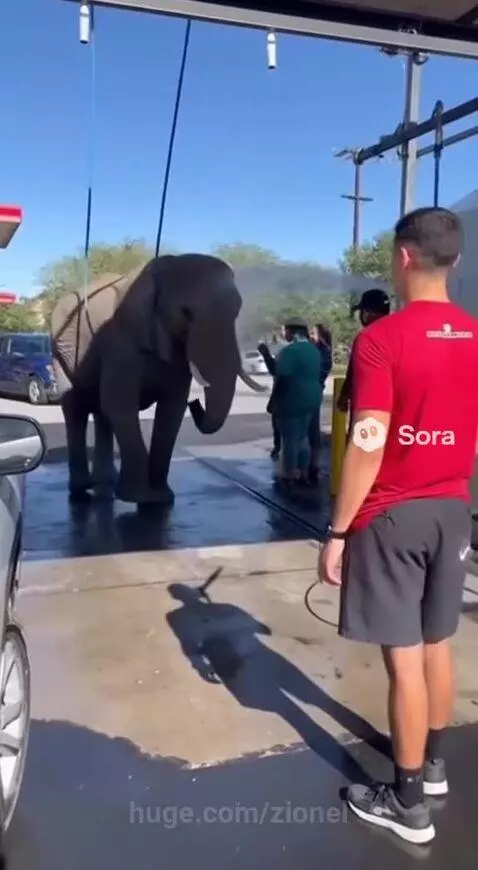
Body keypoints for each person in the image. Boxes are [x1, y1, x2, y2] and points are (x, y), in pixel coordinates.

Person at [319, 207, 478, 845]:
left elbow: (368, 442)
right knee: (438, 641)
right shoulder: (472, 334)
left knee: (404, 660)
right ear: (456, 261)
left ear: (403, 258)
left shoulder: (381, 339)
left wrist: (337, 531)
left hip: (392, 514)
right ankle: (433, 766)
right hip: (452, 509)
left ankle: (406, 800)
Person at [270, 317, 322, 487]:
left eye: (285, 330)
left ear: (292, 331)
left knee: (290, 438)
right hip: (312, 399)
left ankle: (289, 474)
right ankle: (304, 473)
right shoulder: (313, 351)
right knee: (302, 437)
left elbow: (281, 375)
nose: (283, 333)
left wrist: (274, 400)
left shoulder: (290, 352)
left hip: (292, 399)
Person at [337, 289, 391, 414]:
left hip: (367, 407)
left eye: (362, 311)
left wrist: (344, 395)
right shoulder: (399, 332)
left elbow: (353, 372)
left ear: (368, 312)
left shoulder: (367, 336)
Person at [308, 324, 333, 485]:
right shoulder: (315, 350)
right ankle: (309, 465)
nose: (310, 335)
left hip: (313, 392)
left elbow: (319, 373)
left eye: (313, 333)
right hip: (312, 392)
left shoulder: (322, 352)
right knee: (310, 429)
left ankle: (312, 466)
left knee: (311, 430)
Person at [258, 326, 286, 460]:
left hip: (286, 395)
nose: (281, 333)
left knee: (284, 426)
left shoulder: (288, 350)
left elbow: (276, 371)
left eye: (284, 330)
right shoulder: (286, 349)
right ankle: (279, 447)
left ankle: (292, 469)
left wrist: (266, 355)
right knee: (278, 425)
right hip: (284, 395)